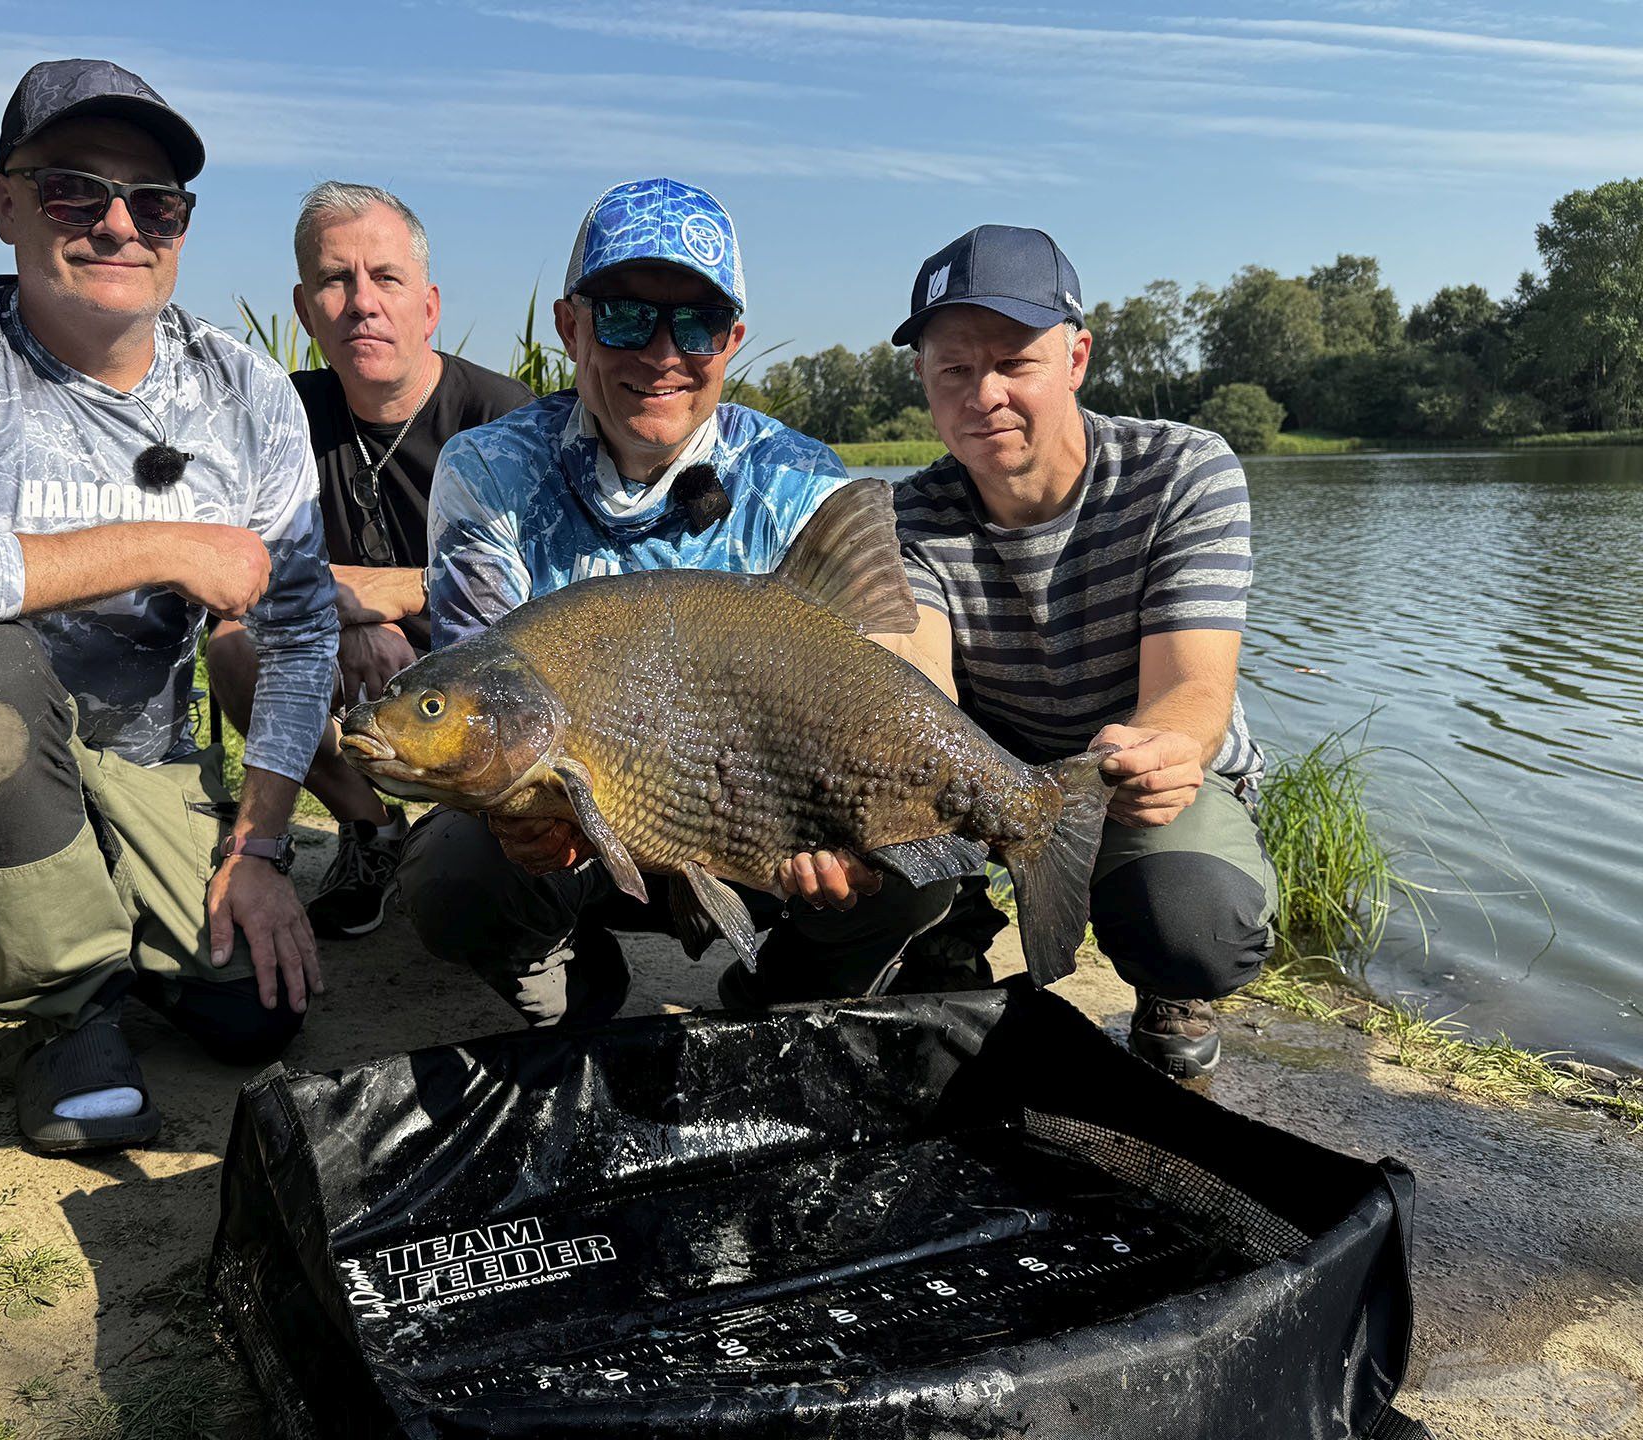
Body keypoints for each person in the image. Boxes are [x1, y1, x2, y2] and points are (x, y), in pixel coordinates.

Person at [0, 59, 339, 1153]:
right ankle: (67, 1007)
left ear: (181, 225)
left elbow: (303, 627)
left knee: (257, 1017)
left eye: (155, 202)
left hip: (140, 761)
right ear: (7, 204)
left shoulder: (241, 389)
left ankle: (117, 911)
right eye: (73, 192)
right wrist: (157, 542)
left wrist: (264, 847)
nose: (119, 224)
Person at [399, 177, 959, 1027]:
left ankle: (786, 988)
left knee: (920, 867)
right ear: (569, 325)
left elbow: (888, 661)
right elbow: (482, 693)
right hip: (579, 828)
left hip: (762, 822)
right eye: (623, 315)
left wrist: (875, 809)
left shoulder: (797, 475)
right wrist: (518, 816)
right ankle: (572, 981)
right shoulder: (488, 471)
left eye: (695, 323)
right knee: (453, 872)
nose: (661, 353)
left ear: (733, 339)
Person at [880, 224, 1278, 1079]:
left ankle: (1170, 981)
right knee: (880, 808)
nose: (982, 393)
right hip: (993, 775)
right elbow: (916, 684)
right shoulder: (901, 514)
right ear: (924, 379)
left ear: (1076, 358)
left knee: (1193, 919)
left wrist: (1159, 748)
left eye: (1013, 362)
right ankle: (948, 938)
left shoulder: (1182, 469)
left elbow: (1193, 690)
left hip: (1134, 769)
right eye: (953, 368)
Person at [207, 183, 531, 941]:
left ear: (430, 304)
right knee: (231, 644)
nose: (362, 302)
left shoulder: (504, 419)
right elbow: (233, 568)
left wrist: (398, 594)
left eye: (386, 278)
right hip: (348, 653)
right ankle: (372, 830)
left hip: (481, 663)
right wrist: (339, 611)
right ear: (304, 307)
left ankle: (502, 849)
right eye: (334, 279)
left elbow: (547, 597)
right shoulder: (281, 418)